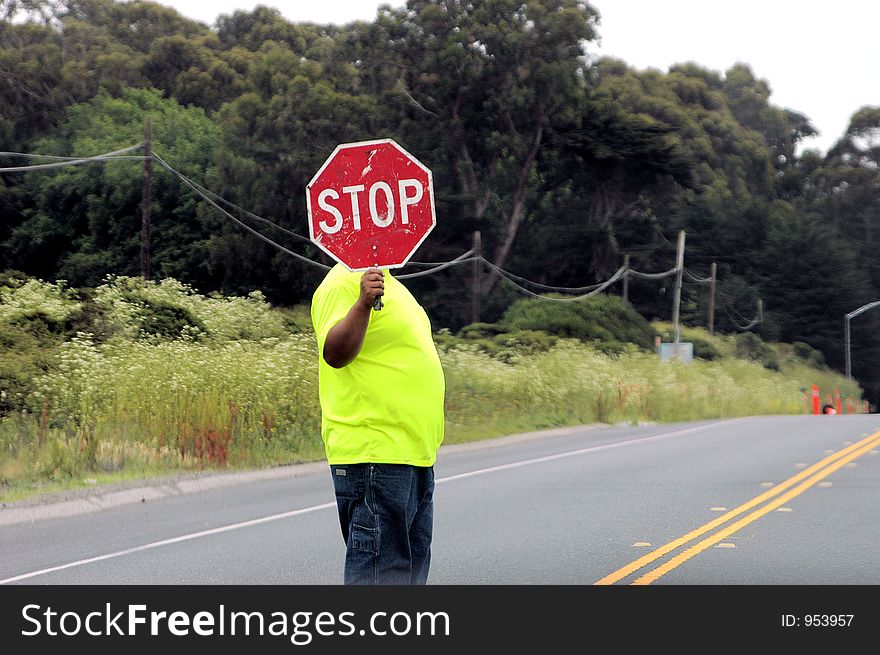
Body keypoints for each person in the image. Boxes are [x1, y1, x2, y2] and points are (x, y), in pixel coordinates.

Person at [310, 265, 445, 585]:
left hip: (413, 453)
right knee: (380, 576)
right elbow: (335, 353)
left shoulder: (393, 285)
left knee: (406, 574)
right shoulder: (341, 283)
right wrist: (362, 304)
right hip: (375, 451)